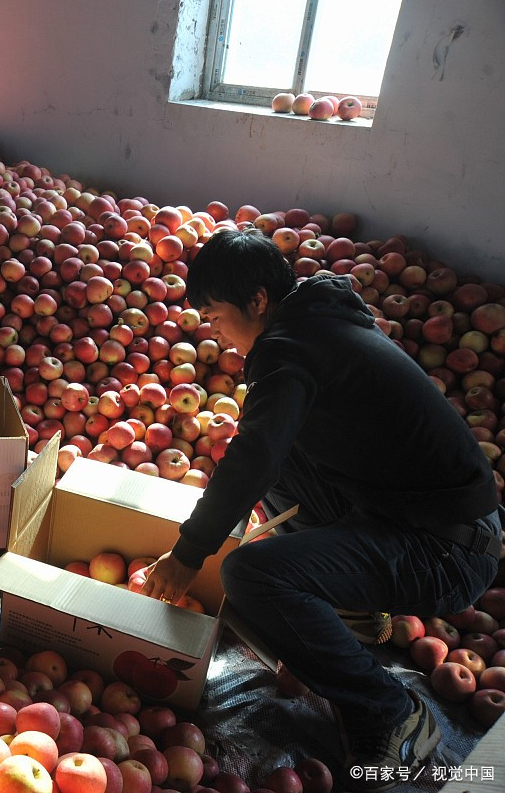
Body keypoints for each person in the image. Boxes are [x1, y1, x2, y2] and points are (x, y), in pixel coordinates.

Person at [139, 228, 502, 790]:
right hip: (424, 517)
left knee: (251, 575)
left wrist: (189, 553)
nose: (214, 331)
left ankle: (389, 709)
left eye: (214, 316)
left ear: (257, 300)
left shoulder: (290, 347)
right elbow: (263, 448)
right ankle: (348, 616)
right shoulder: (316, 323)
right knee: (283, 455)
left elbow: (252, 456)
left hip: (449, 549)